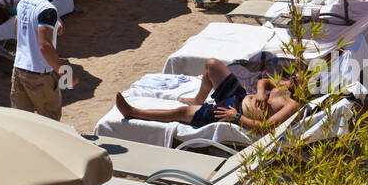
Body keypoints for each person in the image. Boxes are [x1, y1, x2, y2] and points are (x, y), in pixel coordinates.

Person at [115, 59, 299, 132]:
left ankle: (133, 112)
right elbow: (264, 82)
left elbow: (266, 128)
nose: (294, 77)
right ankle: (198, 99)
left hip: (231, 112)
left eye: (298, 78)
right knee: (212, 64)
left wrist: (236, 117)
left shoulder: (292, 106)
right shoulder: (287, 86)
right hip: (239, 96)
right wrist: (260, 93)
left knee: (181, 112)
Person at [10, 0, 68, 121]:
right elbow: (45, 46)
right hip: (38, 73)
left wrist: (53, 27)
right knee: (51, 121)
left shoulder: (24, 1)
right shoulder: (48, 9)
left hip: (19, 69)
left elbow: (17, 31)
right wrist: (62, 71)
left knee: (23, 124)